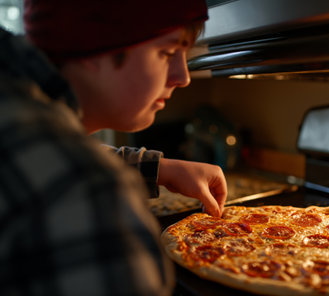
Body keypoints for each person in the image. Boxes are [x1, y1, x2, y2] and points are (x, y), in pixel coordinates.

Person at [0, 0, 227, 295]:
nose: (182, 77)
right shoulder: (83, 188)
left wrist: (158, 168)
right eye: (167, 52)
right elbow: (66, 174)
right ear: (92, 44)